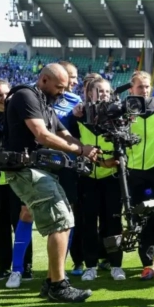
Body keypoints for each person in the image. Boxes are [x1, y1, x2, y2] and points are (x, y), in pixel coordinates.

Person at [2, 63, 98, 302]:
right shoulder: (26, 96)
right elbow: (42, 135)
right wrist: (80, 150)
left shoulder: (45, 102)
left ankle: (51, 281)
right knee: (60, 222)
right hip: (26, 170)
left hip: (38, 170)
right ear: (44, 80)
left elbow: (63, 133)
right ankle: (58, 286)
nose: (62, 92)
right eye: (59, 87)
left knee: (66, 220)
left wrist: (88, 150)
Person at [71, 78, 125, 281]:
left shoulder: (117, 116)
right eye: (100, 91)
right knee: (88, 224)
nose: (104, 94)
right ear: (89, 93)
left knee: (113, 222)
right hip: (87, 178)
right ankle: (90, 266)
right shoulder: (79, 116)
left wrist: (111, 163)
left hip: (112, 178)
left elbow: (125, 147)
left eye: (107, 91)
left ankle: (116, 265)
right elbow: (72, 144)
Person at [0, 80, 35, 287]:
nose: (3, 98)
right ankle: (3, 266)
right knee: (0, 225)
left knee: (21, 221)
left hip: (18, 176)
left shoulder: (18, 113)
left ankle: (25, 266)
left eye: (7, 93)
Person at [125, 71, 154, 280]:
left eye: (146, 86)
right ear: (131, 89)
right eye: (140, 87)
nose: (144, 90)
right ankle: (148, 262)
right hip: (133, 172)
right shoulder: (123, 109)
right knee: (139, 217)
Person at [53, 61, 85, 276]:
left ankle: (63, 265)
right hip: (43, 163)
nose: (74, 81)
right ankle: (21, 269)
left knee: (68, 214)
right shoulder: (40, 98)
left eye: (75, 77)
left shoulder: (76, 101)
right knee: (27, 214)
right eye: (71, 76)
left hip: (68, 165)